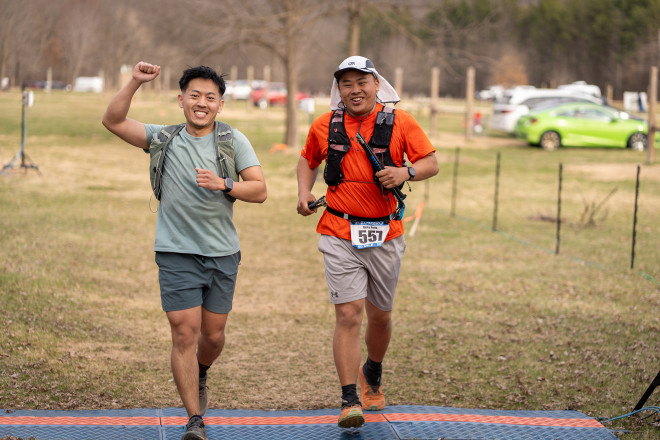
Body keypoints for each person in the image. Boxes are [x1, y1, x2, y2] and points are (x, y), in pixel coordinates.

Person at [102, 62, 267, 440]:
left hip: (222, 252)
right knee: (184, 333)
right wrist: (134, 82)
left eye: (210, 97)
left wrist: (224, 183)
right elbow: (113, 120)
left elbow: (259, 190)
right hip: (176, 251)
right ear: (181, 100)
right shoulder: (162, 138)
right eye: (194, 95)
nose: (202, 103)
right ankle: (195, 420)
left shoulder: (232, 140)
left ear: (220, 105)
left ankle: (202, 371)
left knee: (213, 338)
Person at [296, 56, 439, 428]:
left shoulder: (401, 123)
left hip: (385, 232)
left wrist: (405, 171)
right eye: (346, 83)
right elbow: (307, 159)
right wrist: (303, 192)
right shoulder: (325, 125)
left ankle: (372, 370)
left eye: (362, 82)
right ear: (338, 89)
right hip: (338, 230)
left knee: (381, 316)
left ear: (377, 85)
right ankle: (348, 400)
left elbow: (430, 163)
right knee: (348, 314)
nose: (354, 90)